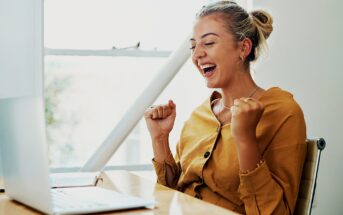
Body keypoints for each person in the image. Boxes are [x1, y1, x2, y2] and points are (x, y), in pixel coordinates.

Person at [144, 1, 307, 214]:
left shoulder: (283, 112)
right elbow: (171, 195)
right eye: (193, 46)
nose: (197, 55)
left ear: (243, 48)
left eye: (209, 43)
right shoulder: (199, 115)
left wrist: (246, 138)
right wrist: (160, 139)